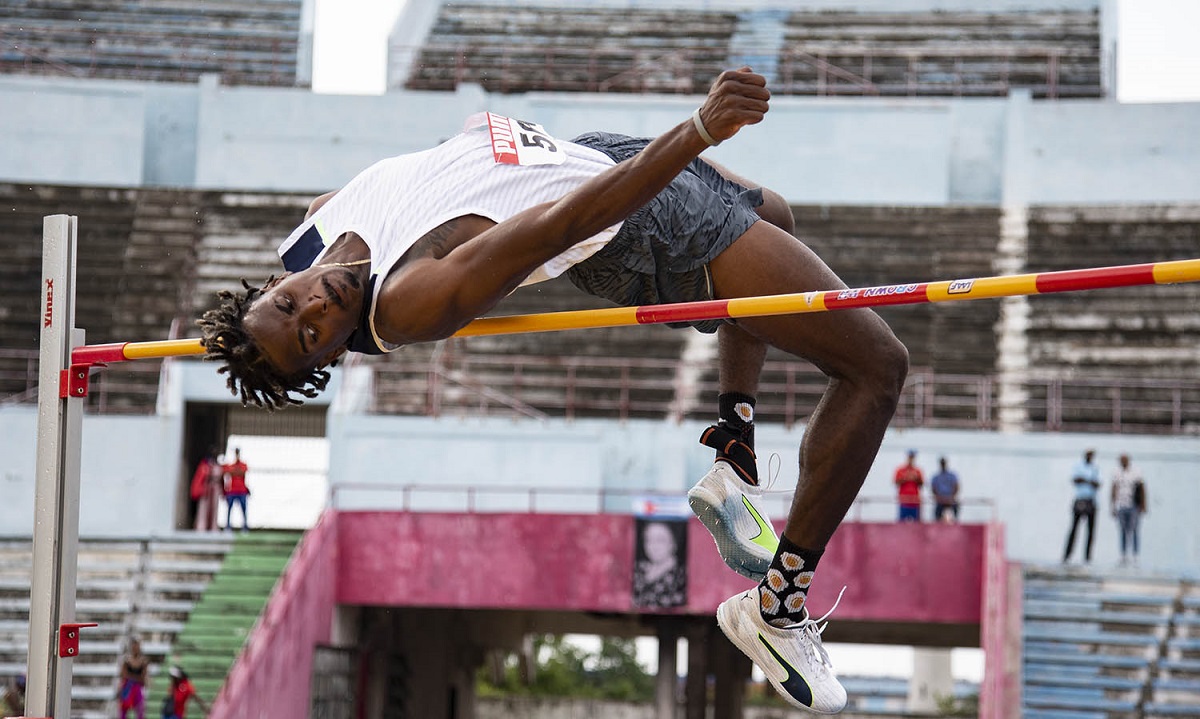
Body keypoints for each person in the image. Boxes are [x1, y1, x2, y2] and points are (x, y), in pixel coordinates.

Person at [197, 68, 908, 713]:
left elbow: (392, 194)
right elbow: (566, 223)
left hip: (588, 152)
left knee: (774, 213)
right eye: (312, 338)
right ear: (331, 354)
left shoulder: (312, 235)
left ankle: (734, 461)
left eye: (291, 307)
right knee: (876, 367)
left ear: (273, 282)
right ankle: (777, 610)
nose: (315, 310)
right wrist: (696, 130)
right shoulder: (409, 300)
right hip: (623, 216)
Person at [632, 519, 687, 608]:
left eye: (660, 540)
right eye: (648, 540)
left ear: (673, 542)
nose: (654, 546)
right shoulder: (639, 569)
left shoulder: (681, 576)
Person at [1062, 448, 1100, 564]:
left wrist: (1086, 480)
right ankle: (1067, 555)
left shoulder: (1095, 468)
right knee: (1074, 529)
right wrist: (1088, 481)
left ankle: (1087, 557)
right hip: (1080, 500)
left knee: (1090, 531)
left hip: (1091, 500)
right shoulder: (1078, 466)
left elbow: (1097, 484)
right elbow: (1076, 479)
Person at [1110, 453, 1147, 566]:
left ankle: (1136, 554)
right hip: (1122, 505)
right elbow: (1114, 489)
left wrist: (1143, 504)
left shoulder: (1136, 472)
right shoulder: (1117, 473)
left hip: (1134, 506)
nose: (1123, 462)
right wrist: (1113, 506)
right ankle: (1123, 554)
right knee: (1122, 530)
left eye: (1124, 460)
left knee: (1134, 529)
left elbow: (1142, 488)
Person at [190, 448, 224, 531]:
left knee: (214, 509)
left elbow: (221, 478)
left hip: (215, 489)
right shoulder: (204, 465)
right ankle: (201, 526)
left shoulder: (217, 466)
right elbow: (200, 478)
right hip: (205, 489)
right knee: (203, 508)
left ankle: (213, 527)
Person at [117, 636, 149, 719]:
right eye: (134, 646)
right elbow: (123, 675)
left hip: (137, 688)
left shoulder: (143, 661)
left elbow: (143, 678)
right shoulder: (127, 660)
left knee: (140, 710)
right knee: (123, 710)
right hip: (127, 687)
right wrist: (135, 678)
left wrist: (131, 677)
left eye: (137, 646)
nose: (135, 648)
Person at [222, 447, 250, 532]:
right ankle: (228, 526)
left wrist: (234, 472)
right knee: (229, 509)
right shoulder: (230, 465)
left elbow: (241, 472)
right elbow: (227, 472)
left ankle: (245, 527)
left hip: (242, 491)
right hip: (232, 491)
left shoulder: (243, 465)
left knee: (244, 509)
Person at [894, 450, 924, 522]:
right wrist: (906, 478)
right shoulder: (900, 470)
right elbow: (896, 482)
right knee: (902, 522)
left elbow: (921, 484)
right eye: (910, 457)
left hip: (915, 500)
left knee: (916, 522)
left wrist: (915, 478)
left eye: (912, 457)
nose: (911, 459)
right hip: (904, 500)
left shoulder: (917, 471)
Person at [930, 456, 960, 523]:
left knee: (956, 507)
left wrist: (952, 497)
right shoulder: (936, 476)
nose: (943, 464)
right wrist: (938, 497)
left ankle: (955, 522)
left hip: (950, 498)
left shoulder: (952, 475)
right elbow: (933, 488)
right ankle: (937, 522)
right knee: (937, 512)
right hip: (940, 499)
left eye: (944, 463)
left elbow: (956, 486)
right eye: (942, 463)